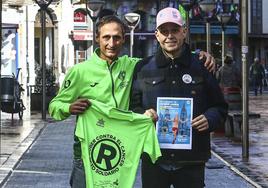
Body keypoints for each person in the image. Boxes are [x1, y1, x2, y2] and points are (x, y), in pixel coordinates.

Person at [49, 15, 215, 188]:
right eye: (106, 37)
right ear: (97, 38)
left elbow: (166, 58)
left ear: (123, 40)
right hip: (87, 154)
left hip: (121, 152)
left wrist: (197, 56)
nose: (111, 43)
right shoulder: (79, 71)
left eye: (117, 37)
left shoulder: (134, 66)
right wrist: (69, 107)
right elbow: (54, 107)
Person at [130, 7, 228, 188]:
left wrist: (210, 118)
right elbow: (131, 108)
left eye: (174, 30)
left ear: (184, 32)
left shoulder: (202, 66)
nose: (170, 36)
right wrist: (142, 115)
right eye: (164, 31)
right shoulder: (142, 68)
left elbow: (220, 107)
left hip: (192, 160)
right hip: (155, 159)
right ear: (157, 35)